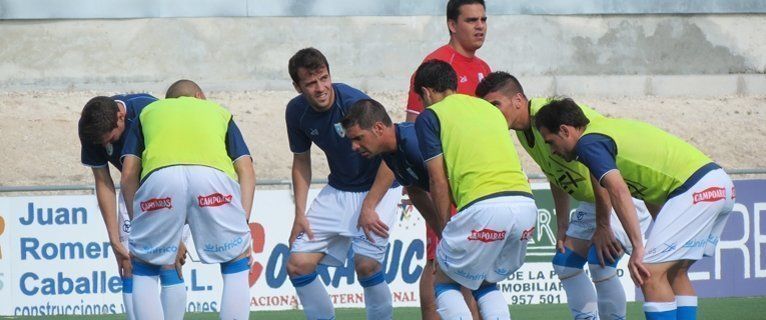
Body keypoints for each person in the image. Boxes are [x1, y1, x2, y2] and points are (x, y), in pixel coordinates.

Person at [534, 99, 735, 320]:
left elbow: (618, 191)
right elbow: (649, 188)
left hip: (694, 190)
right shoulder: (609, 131)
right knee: (675, 272)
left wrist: (639, 247)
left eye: (551, 142)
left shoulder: (588, 144)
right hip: (719, 183)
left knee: (648, 273)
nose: (552, 151)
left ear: (565, 130)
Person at [476, 72, 652, 319]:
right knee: (564, 263)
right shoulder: (522, 130)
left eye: (495, 105)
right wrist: (562, 224)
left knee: (601, 263)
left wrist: (603, 225)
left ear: (517, 100)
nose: (492, 113)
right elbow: (554, 174)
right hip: (595, 201)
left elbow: (597, 162)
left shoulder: (550, 115)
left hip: (619, 194)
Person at [413, 59, 537, 320]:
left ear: (426, 92)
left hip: (484, 207)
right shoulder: (489, 109)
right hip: (526, 206)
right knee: (485, 282)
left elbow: (437, 180)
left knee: (444, 281)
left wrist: (445, 228)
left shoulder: (430, 116)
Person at [284, 48, 403, 320]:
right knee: (297, 265)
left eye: (324, 78)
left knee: (367, 265)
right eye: (311, 83)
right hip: (338, 190)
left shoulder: (355, 104)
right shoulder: (296, 111)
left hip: (379, 189)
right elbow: (301, 160)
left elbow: (391, 152)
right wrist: (299, 214)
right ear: (297, 86)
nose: (321, 88)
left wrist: (370, 205)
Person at [121, 80, 255, 320]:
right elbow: (246, 168)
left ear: (167, 102)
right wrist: (243, 222)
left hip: (161, 178)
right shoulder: (219, 112)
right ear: (199, 96)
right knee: (236, 260)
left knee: (144, 265)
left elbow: (129, 173)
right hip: (212, 178)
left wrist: (138, 223)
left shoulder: (148, 113)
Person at [405, 2, 490, 317]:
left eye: (483, 19)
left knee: (475, 264)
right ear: (452, 24)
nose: (479, 26)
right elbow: (414, 127)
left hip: (475, 182)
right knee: (438, 258)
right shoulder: (435, 64)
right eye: (471, 20)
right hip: (443, 181)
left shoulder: (484, 67)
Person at [78, 93, 187, 320]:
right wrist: (114, 238)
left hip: (167, 189)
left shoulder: (149, 110)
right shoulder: (91, 128)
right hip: (132, 190)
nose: (107, 146)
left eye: (111, 139)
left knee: (168, 262)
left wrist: (172, 236)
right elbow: (103, 181)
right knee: (128, 264)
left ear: (121, 117)